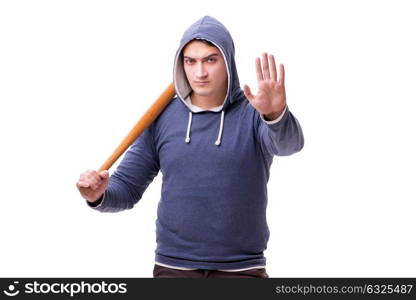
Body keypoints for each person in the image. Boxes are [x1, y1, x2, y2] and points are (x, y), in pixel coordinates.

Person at [76, 16, 304, 278]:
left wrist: (276, 115)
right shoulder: (161, 117)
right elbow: (126, 188)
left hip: (242, 268)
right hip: (173, 268)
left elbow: (289, 145)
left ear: (227, 61)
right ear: (181, 64)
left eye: (210, 59)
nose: (200, 72)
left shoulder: (254, 113)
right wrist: (97, 195)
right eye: (190, 61)